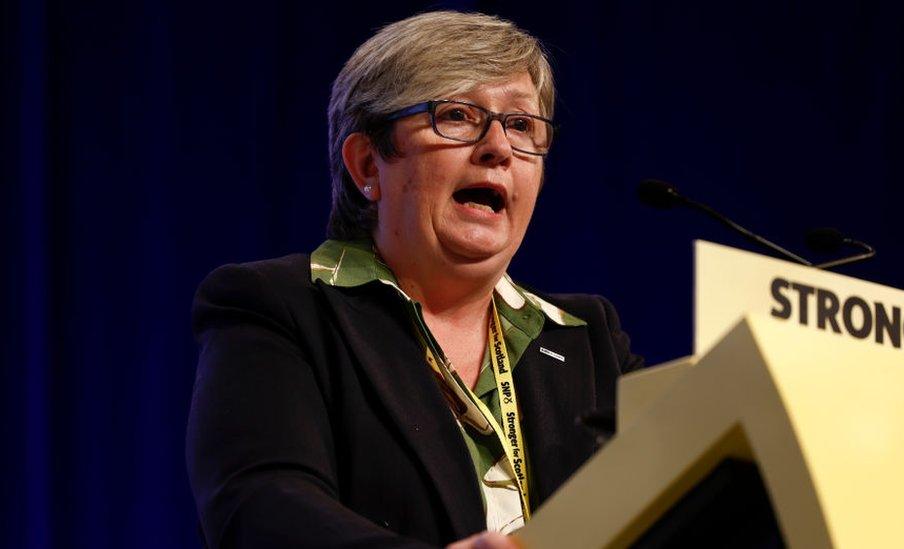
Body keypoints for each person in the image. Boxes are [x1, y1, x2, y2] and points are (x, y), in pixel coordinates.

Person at [187, 11, 643, 549]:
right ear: (367, 166)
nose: (498, 147)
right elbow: (261, 504)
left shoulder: (587, 337)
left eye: (521, 125)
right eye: (456, 115)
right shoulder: (280, 308)